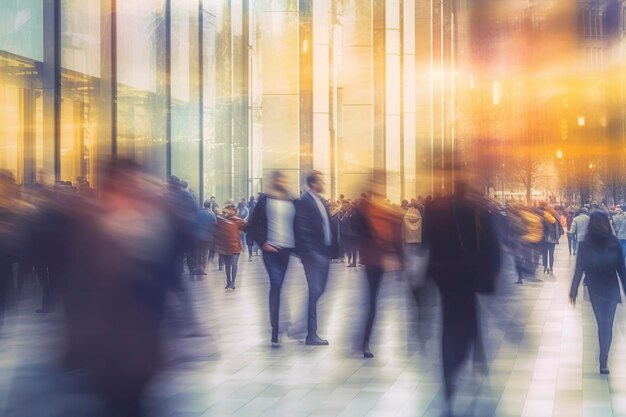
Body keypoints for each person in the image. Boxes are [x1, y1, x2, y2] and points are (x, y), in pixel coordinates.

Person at [61, 159, 185, 417]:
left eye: (135, 186)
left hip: (143, 346)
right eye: (123, 187)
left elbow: (168, 283)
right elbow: (77, 291)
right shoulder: (90, 229)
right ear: (108, 190)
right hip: (107, 347)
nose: (132, 194)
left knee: (133, 402)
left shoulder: (156, 229)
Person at [423, 182, 501, 405]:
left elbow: (426, 243)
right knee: (465, 321)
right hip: (467, 274)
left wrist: (428, 276)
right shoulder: (475, 209)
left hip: (442, 276)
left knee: (449, 324)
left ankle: (451, 369)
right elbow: (490, 244)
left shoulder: (436, 208)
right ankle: (459, 362)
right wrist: (493, 271)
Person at [570, 210, 626, 375]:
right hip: (607, 289)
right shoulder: (613, 242)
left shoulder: (585, 243)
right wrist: (573, 290)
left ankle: (603, 358)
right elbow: (621, 270)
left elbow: (580, 269)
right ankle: (604, 359)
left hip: (597, 289)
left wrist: (573, 290)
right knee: (606, 325)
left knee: (604, 324)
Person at [247, 171, 297, 348]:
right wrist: (263, 243)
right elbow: (251, 226)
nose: (282, 181)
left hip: (286, 250)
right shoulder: (265, 200)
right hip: (271, 250)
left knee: (280, 286)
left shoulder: (291, 200)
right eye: (279, 178)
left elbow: (297, 225)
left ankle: (280, 322)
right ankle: (275, 330)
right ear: (274, 181)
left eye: (284, 178)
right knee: (276, 284)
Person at [354, 191, 403, 358]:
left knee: (371, 301)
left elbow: (393, 236)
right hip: (374, 261)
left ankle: (364, 341)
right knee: (372, 302)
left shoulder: (373, 212)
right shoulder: (372, 213)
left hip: (374, 261)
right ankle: (365, 342)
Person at [295, 171, 338, 346]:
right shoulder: (304, 201)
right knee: (315, 290)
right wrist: (311, 252)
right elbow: (302, 229)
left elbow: (327, 225)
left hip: (324, 252)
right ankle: (310, 334)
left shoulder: (321, 201)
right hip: (313, 255)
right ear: (313, 183)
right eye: (321, 181)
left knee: (319, 290)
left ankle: (302, 325)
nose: (324, 183)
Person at [214, 202, 247, 289]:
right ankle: (231, 282)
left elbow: (216, 231)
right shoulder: (236, 220)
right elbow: (245, 227)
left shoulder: (221, 219)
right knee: (233, 264)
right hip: (234, 246)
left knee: (229, 265)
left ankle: (230, 282)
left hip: (227, 247)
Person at [195, 200, 217, 277]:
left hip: (197, 236)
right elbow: (214, 226)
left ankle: (197, 267)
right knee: (205, 253)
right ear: (210, 205)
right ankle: (202, 268)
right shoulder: (212, 214)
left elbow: (195, 222)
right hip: (207, 236)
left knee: (198, 252)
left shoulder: (199, 212)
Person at [540, 205, 563, 276]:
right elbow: (559, 231)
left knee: (545, 254)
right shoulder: (555, 220)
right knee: (551, 254)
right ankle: (550, 267)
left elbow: (541, 230)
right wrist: (557, 238)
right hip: (552, 240)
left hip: (545, 240)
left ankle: (545, 267)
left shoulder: (543, 220)